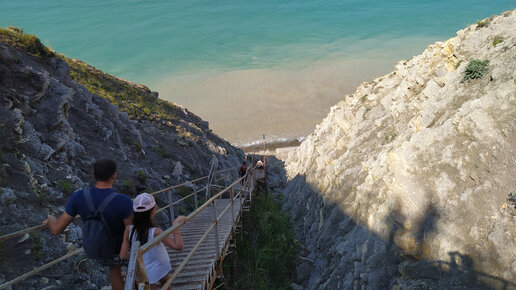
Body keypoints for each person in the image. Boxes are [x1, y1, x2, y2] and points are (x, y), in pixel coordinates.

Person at [43, 159, 132, 290]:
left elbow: (57, 230)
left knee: (114, 266)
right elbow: (131, 231)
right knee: (118, 265)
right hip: (115, 250)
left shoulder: (78, 196)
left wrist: (50, 219)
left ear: (94, 175)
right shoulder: (124, 201)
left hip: (91, 248)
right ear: (114, 175)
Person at [119, 193, 185, 289]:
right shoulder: (155, 232)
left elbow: (123, 255)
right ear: (153, 211)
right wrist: (176, 227)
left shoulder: (129, 229)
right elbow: (178, 246)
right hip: (160, 265)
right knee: (166, 285)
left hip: (142, 269)